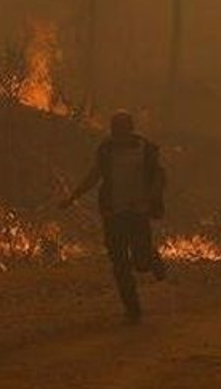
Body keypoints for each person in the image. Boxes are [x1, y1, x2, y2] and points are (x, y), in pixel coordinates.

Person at [59, 110, 166, 324]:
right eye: (116, 131)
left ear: (130, 129)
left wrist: (150, 198)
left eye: (123, 130)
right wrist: (72, 197)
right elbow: (94, 175)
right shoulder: (106, 151)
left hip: (137, 213)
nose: (119, 136)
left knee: (141, 263)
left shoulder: (146, 150)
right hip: (113, 213)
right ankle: (132, 310)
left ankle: (151, 258)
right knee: (119, 264)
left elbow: (159, 177)